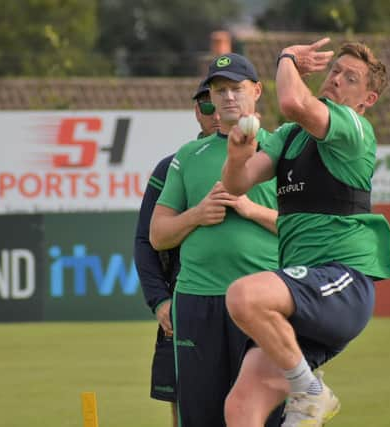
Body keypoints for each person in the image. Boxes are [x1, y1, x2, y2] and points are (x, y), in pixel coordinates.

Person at [220, 38, 390, 427]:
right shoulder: (290, 135)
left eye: (350, 78)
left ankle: (311, 391)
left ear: (366, 100)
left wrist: (286, 57)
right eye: (334, 70)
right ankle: (307, 390)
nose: (336, 79)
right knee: (240, 406)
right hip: (305, 291)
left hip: (343, 280)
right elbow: (238, 183)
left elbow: (292, 102)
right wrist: (237, 156)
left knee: (244, 296)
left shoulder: (355, 127)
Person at [149, 53, 285, 427]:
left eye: (236, 89)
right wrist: (197, 215)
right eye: (219, 90)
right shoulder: (188, 156)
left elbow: (306, 229)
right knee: (202, 417)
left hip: (264, 299)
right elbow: (158, 236)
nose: (227, 98)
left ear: (256, 91)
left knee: (268, 415)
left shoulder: (282, 149)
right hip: (197, 302)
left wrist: (250, 208)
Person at [134, 79, 220, 427]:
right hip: (186, 303)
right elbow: (146, 241)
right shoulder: (172, 166)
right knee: (184, 408)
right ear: (198, 113)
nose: (215, 112)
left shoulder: (265, 157)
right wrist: (159, 300)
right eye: (207, 105)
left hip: (247, 300)